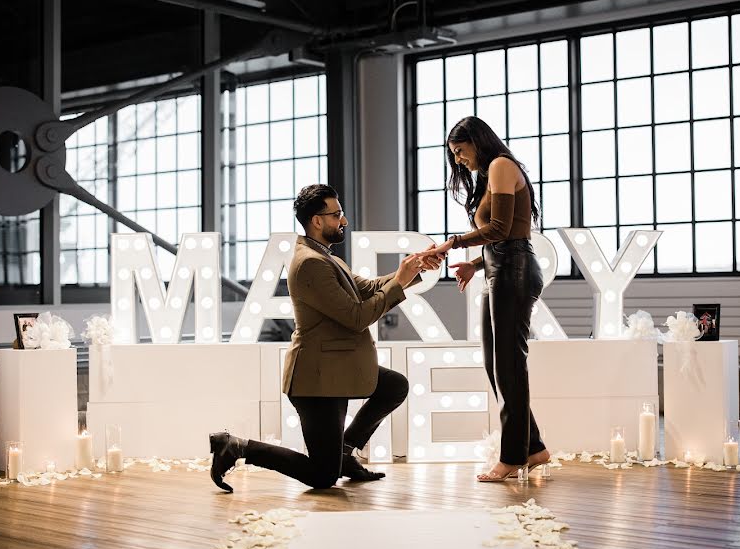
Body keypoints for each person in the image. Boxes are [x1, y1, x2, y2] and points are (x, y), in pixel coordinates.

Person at [209, 184, 442, 491]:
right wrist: (398, 283)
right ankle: (237, 447)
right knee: (322, 476)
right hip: (316, 380)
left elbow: (368, 288)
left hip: (337, 369)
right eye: (337, 214)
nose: (343, 220)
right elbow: (356, 317)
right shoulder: (310, 264)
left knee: (393, 386)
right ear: (317, 221)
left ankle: (344, 452)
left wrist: (408, 271)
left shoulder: (324, 257)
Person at [418, 116, 550, 482]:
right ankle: (535, 448)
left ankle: (512, 456)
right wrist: (475, 265)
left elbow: (503, 230)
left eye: (460, 151)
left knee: (509, 365)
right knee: (496, 366)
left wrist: (452, 243)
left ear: (477, 142)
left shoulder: (502, 166)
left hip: (515, 272)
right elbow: (501, 237)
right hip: (499, 271)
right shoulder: (488, 173)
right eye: (454, 155)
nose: (459, 160)